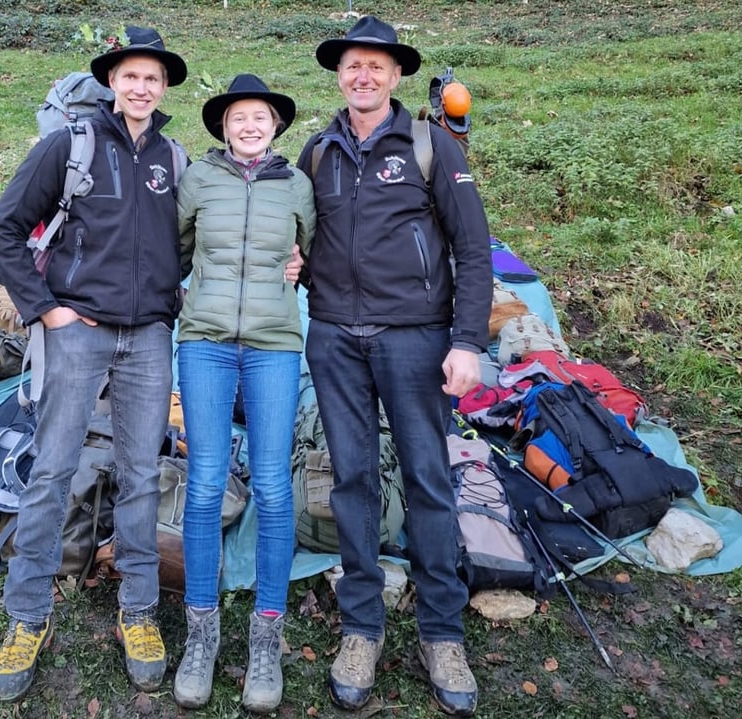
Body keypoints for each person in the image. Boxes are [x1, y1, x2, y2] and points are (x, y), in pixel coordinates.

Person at [0, 25, 190, 701]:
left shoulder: (176, 159)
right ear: (113, 81)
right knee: (52, 469)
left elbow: (187, 245)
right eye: (130, 76)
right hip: (78, 331)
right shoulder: (69, 146)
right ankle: (27, 615)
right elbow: (8, 227)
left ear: (164, 88)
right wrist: (45, 308)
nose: (141, 87)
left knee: (138, 472)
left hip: (149, 338)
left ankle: (137, 610)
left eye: (152, 78)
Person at [298, 16, 493, 718]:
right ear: (339, 73)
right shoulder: (316, 153)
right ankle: (361, 625)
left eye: (376, 66)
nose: (364, 75)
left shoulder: (429, 145)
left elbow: (473, 250)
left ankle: (442, 632)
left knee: (428, 480)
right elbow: (298, 237)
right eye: (353, 65)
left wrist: (467, 341)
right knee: (350, 479)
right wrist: (295, 265)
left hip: (415, 339)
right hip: (333, 341)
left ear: (396, 75)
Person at [172, 74, 315, 713]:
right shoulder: (198, 180)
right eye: (238, 118)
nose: (250, 126)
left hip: (275, 346)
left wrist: (302, 265)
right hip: (202, 342)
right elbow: (176, 250)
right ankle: (201, 632)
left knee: (273, 485)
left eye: (260, 117)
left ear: (275, 125)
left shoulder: (297, 185)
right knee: (204, 482)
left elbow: (316, 250)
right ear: (223, 127)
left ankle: (266, 635)